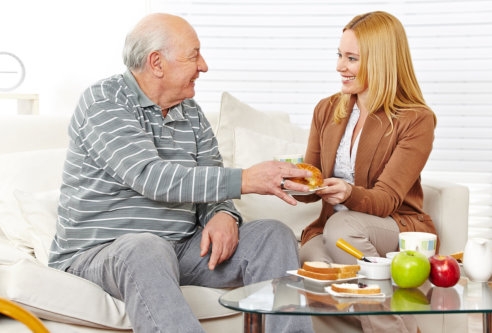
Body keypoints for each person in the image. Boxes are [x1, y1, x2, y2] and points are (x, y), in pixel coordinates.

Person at [48, 13, 314, 333]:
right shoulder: (104, 101)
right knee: (147, 248)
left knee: (272, 235)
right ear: (157, 62)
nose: (203, 66)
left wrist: (222, 214)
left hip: (182, 248)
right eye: (194, 55)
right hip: (103, 254)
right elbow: (150, 176)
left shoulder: (190, 112)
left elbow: (210, 175)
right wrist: (244, 180)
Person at [296, 11, 438, 333]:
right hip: (335, 229)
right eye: (339, 55)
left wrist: (347, 192)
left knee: (342, 226)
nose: (339, 67)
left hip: (393, 226)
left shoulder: (416, 120)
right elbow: (312, 181)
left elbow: (386, 199)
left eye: (351, 58)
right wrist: (294, 181)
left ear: (381, 62)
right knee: (312, 255)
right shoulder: (327, 109)